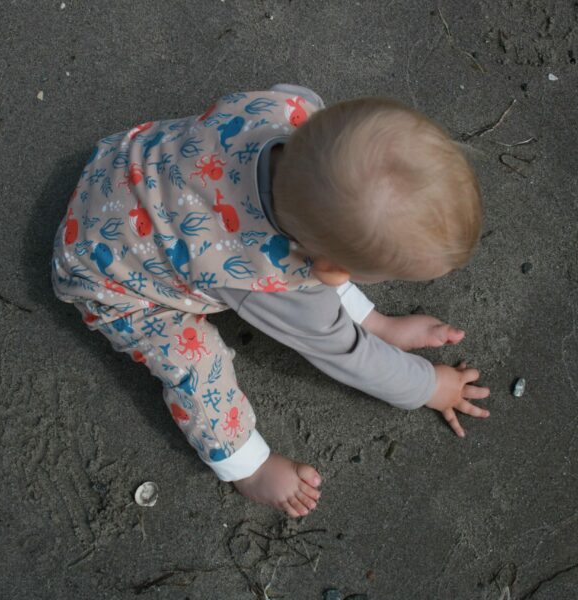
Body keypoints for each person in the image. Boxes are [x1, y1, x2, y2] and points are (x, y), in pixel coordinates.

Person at [51, 84, 490, 519]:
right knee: (196, 361)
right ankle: (246, 463)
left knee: (319, 230)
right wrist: (429, 386)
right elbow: (346, 354)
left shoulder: (289, 107)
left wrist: (376, 323)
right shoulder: (263, 276)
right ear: (333, 272)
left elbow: (320, 255)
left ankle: (373, 319)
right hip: (108, 280)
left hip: (124, 167)